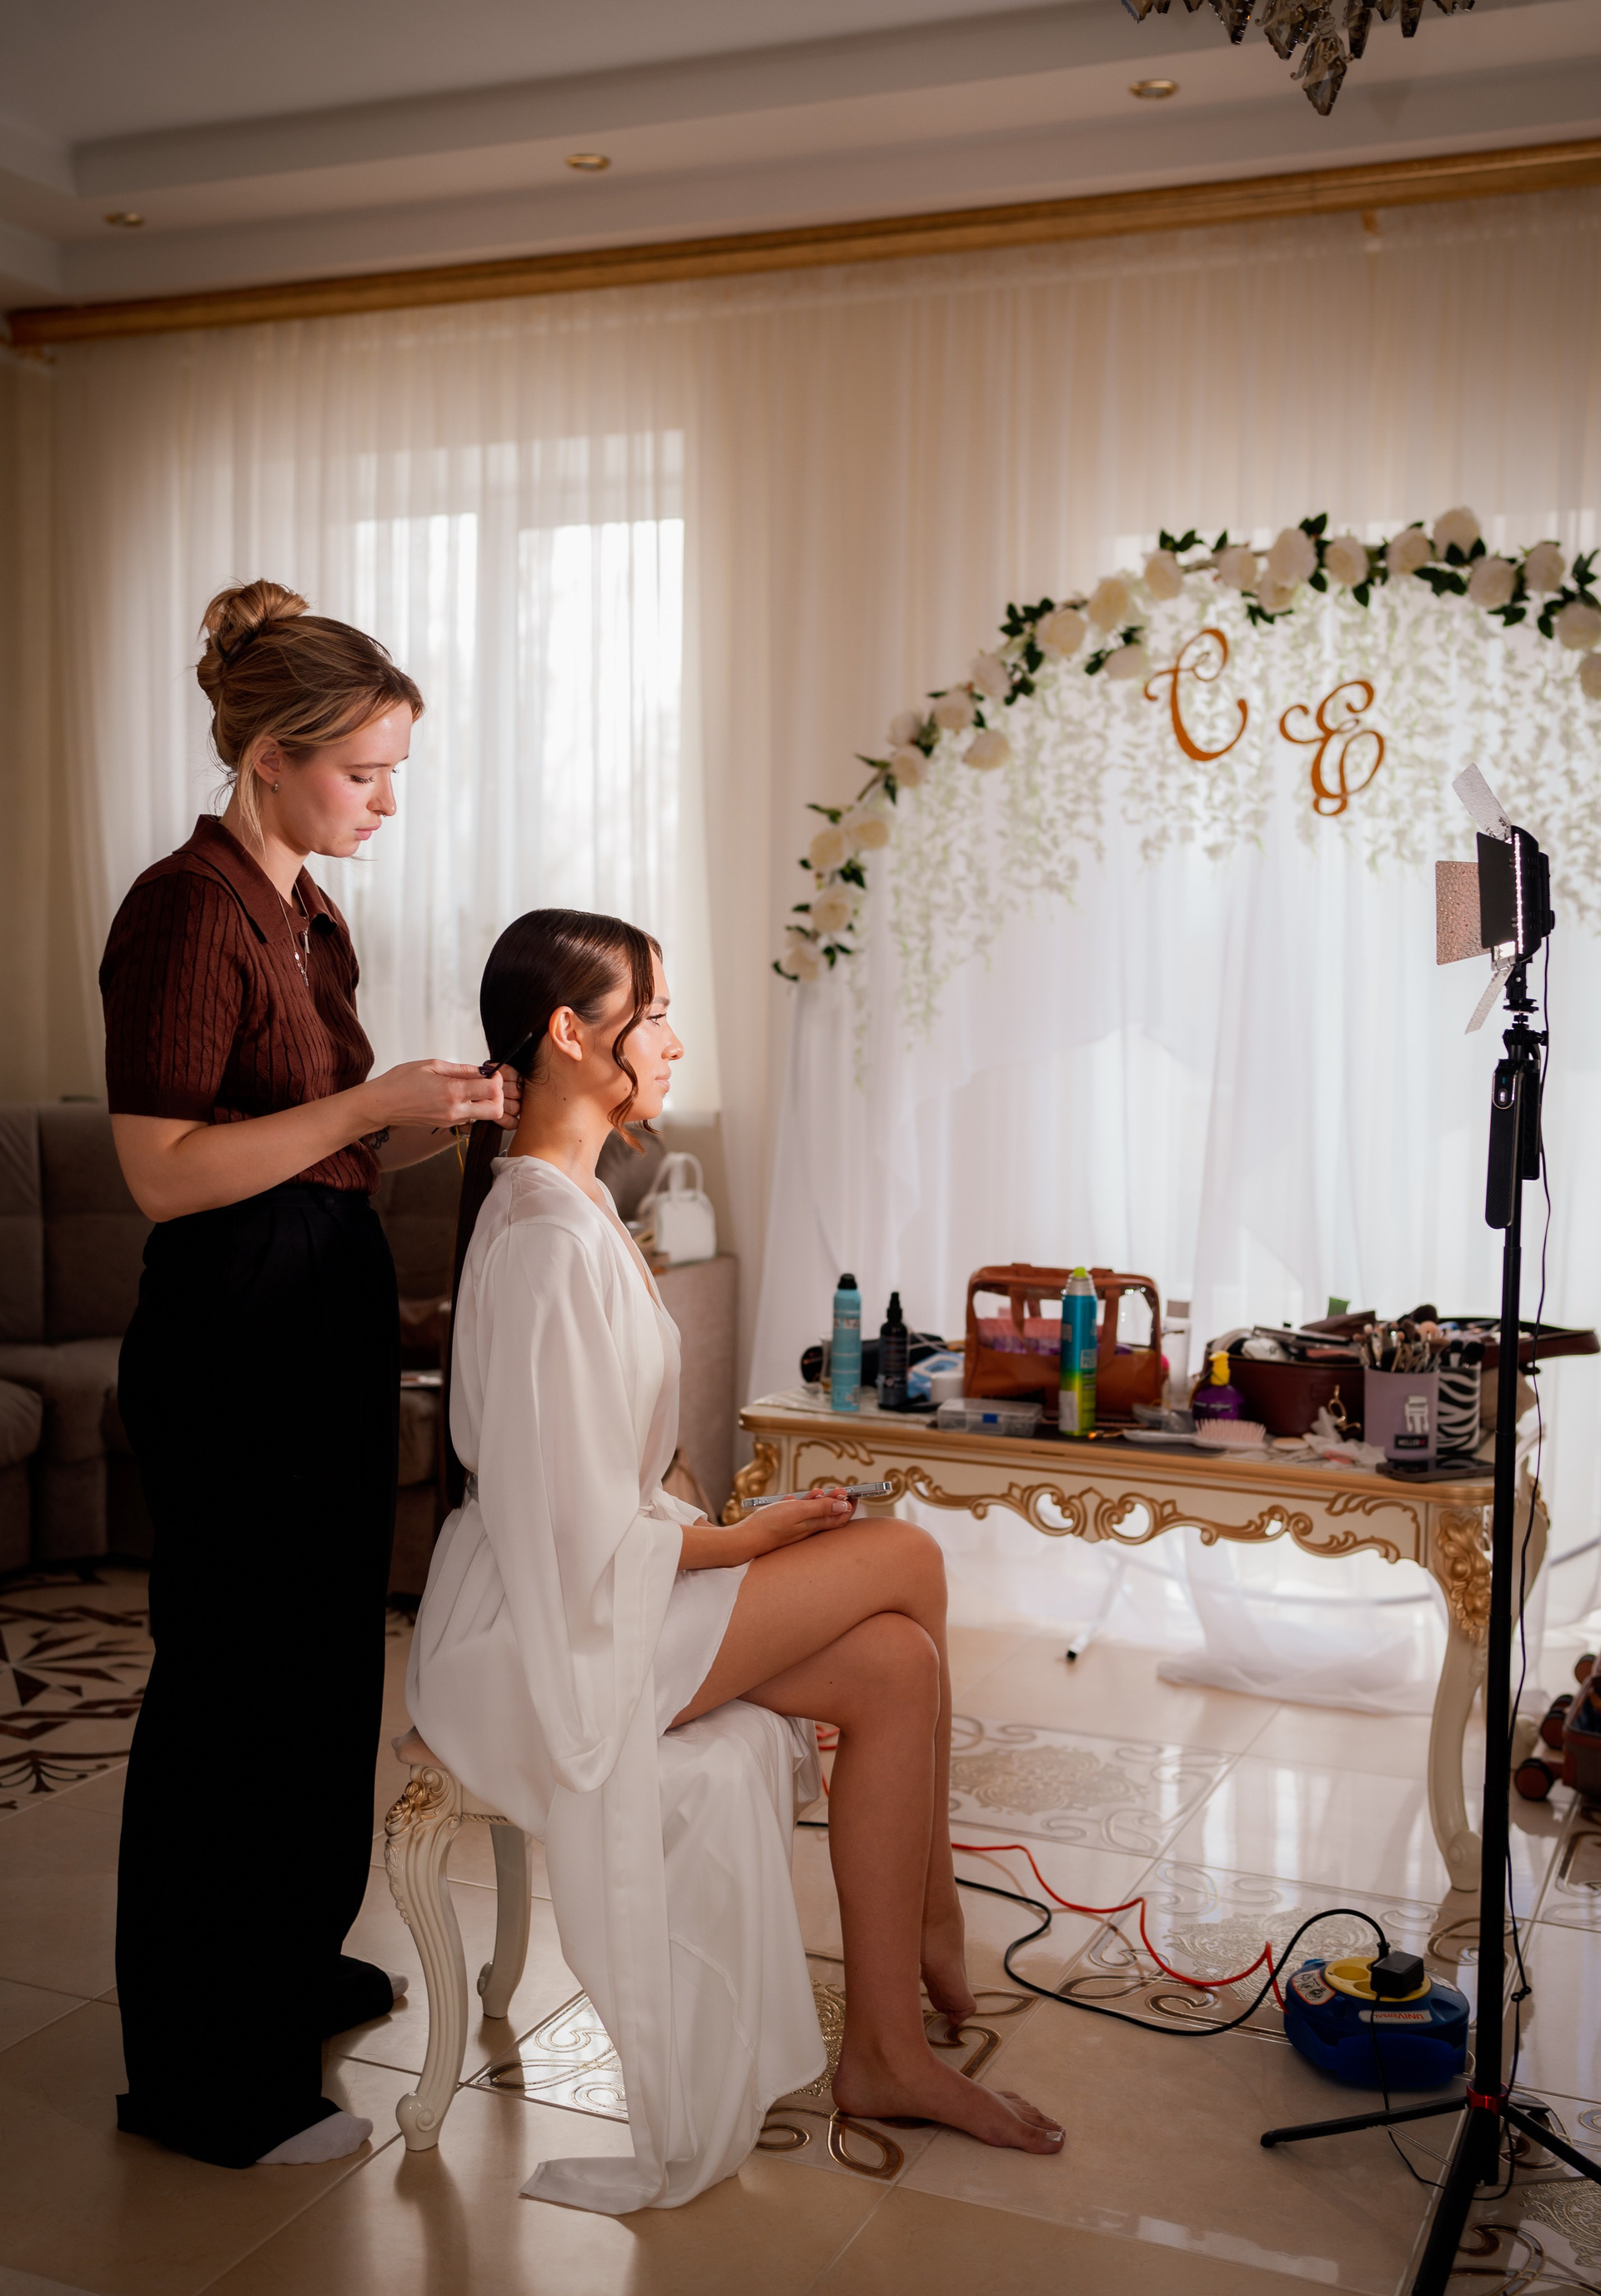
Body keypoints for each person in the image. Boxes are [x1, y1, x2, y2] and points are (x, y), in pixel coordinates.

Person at [408, 907, 1062, 2214]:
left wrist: (718, 1534)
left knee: (893, 1662)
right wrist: (741, 1542)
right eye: (652, 1014)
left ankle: (885, 2049)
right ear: (571, 1033)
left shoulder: (580, 1200)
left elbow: (624, 1468)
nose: (673, 1039)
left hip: (607, 1579)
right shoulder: (540, 1237)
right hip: (547, 1627)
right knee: (907, 1556)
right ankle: (935, 1921)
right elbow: (563, 1522)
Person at [102, 580, 515, 2169]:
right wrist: (361, 1111)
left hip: (317, 1301)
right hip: (234, 1331)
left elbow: (319, 1145)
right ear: (268, 756)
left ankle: (283, 1960)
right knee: (236, 1693)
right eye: (363, 771)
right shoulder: (186, 910)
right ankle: (204, 2077)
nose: (386, 800)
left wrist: (427, 1113)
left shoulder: (307, 911)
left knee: (326, 1667)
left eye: (395, 770)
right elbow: (163, 1171)